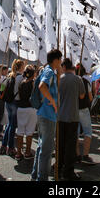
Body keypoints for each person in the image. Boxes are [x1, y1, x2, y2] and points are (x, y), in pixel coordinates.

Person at [31, 49, 62, 182]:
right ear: (56, 60)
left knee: (41, 146)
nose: (61, 62)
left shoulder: (49, 71)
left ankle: (35, 175)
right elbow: (42, 86)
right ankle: (42, 178)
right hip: (48, 114)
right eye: (60, 59)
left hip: (44, 113)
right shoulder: (49, 71)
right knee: (47, 149)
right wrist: (53, 102)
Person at [58, 58, 85, 180]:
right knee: (70, 145)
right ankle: (68, 171)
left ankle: (58, 167)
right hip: (73, 115)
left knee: (60, 143)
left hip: (60, 115)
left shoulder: (60, 79)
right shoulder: (77, 79)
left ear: (64, 67)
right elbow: (82, 95)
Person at [0, 59, 25, 157]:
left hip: (8, 102)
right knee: (13, 125)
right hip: (16, 102)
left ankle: (3, 145)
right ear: (21, 67)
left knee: (9, 124)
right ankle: (10, 147)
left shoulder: (9, 76)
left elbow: (2, 87)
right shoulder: (21, 77)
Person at [15, 65, 37, 161]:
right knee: (29, 132)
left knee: (20, 131)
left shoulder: (21, 82)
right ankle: (27, 152)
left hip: (21, 108)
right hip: (30, 108)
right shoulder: (33, 83)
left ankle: (18, 152)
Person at [75, 63, 95, 165]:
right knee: (87, 132)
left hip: (74, 109)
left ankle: (77, 155)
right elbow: (91, 97)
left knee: (76, 133)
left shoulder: (72, 82)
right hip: (84, 109)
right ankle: (85, 155)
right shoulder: (86, 82)